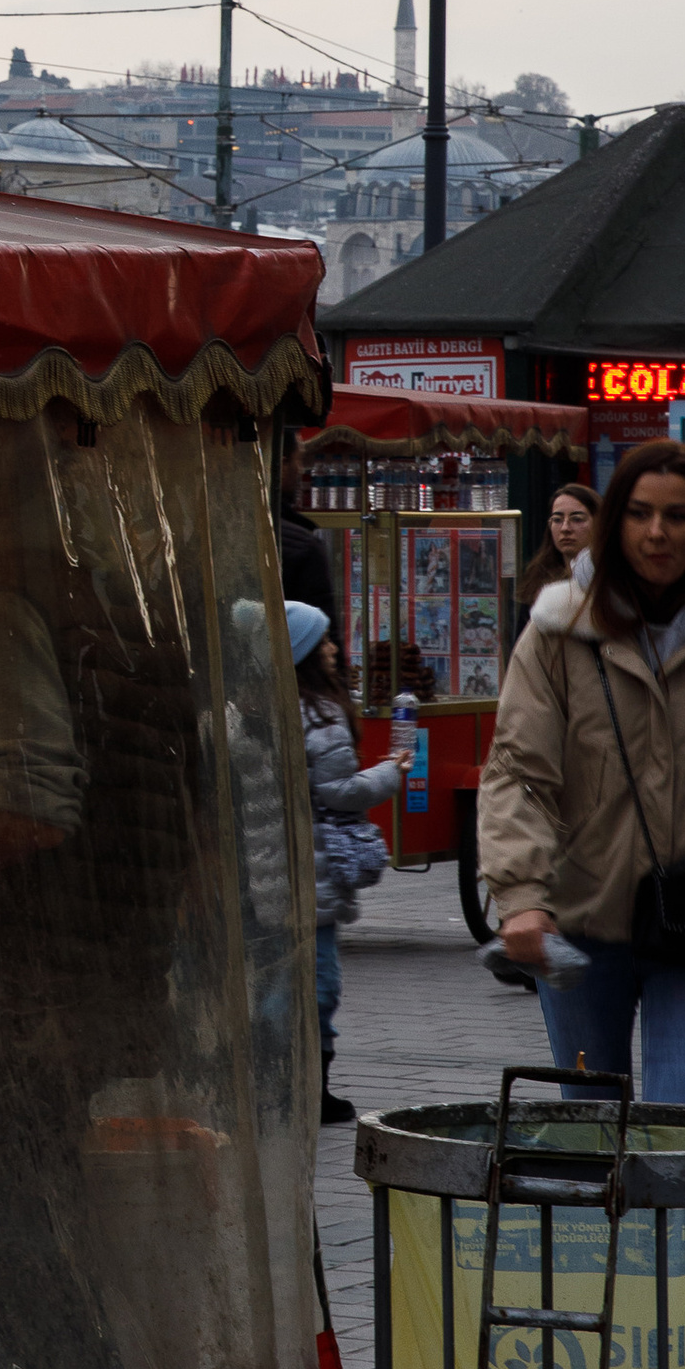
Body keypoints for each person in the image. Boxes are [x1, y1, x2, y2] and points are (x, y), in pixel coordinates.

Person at [478, 439, 685, 1107]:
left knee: (684, 1130)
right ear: (615, 521)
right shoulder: (558, 630)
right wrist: (522, 896)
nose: (658, 533)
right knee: (594, 1131)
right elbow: (519, 771)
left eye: (678, 516)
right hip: (581, 921)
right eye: (640, 513)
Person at [289, 600, 394, 1126]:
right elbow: (343, 792)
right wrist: (391, 772)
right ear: (305, 653)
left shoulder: (253, 711)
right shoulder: (321, 717)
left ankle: (284, 1084)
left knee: (278, 983)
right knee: (320, 984)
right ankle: (315, 1091)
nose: (333, 649)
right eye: (325, 640)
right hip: (312, 875)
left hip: (266, 873)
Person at [518, 479, 596, 623]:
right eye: (557, 519)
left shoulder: (610, 582)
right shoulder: (537, 582)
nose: (565, 528)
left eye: (577, 519)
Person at [276, 458, 336, 626]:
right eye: (298, 460)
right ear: (281, 466)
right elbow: (322, 629)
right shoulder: (305, 547)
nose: (301, 469)